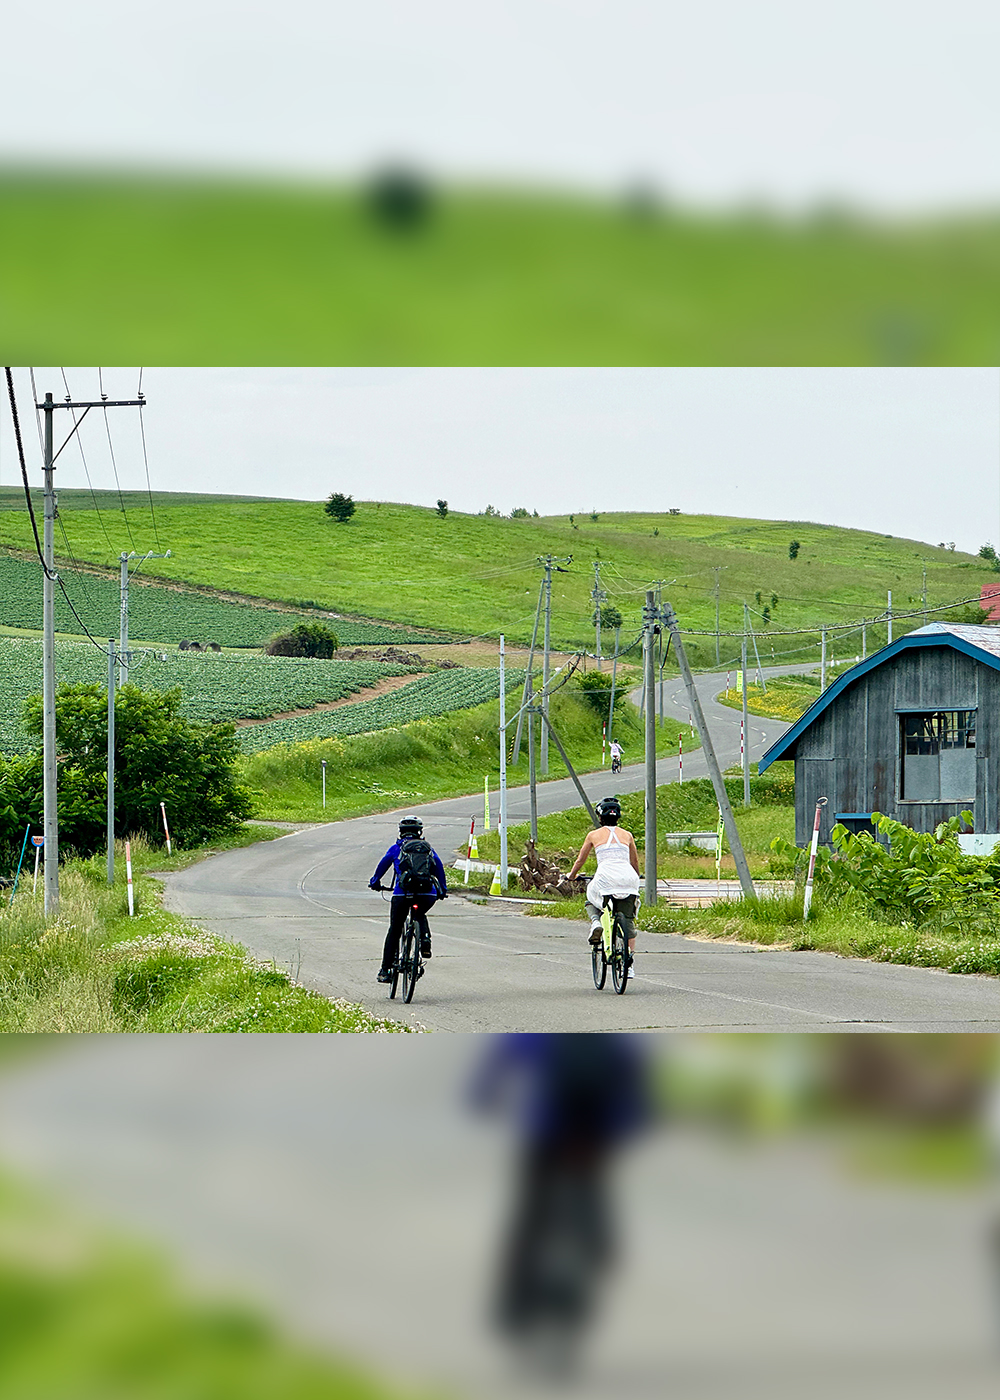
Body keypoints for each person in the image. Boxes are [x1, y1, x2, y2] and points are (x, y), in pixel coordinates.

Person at [369, 816, 448, 983]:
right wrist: (442, 890)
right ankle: (425, 940)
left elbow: (382, 867)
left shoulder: (396, 849)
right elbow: (439, 867)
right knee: (419, 913)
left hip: (402, 894)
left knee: (395, 930)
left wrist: (375, 882)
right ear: (420, 831)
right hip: (427, 894)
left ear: (400, 832)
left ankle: (385, 969)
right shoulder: (427, 849)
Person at [568, 797, 641, 976]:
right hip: (629, 878)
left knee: (591, 898)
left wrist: (571, 876)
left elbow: (580, 860)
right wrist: (636, 876)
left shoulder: (593, 835)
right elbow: (635, 862)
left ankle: (595, 923)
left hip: (605, 878)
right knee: (628, 921)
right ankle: (629, 965)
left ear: (600, 817)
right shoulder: (627, 835)